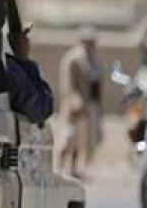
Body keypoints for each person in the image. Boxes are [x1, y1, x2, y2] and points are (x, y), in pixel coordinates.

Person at [58, 26, 104, 178]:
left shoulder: (95, 60)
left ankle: (73, 168)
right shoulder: (73, 59)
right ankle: (59, 167)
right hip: (74, 107)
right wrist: (74, 99)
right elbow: (67, 84)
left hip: (89, 105)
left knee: (81, 140)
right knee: (68, 137)